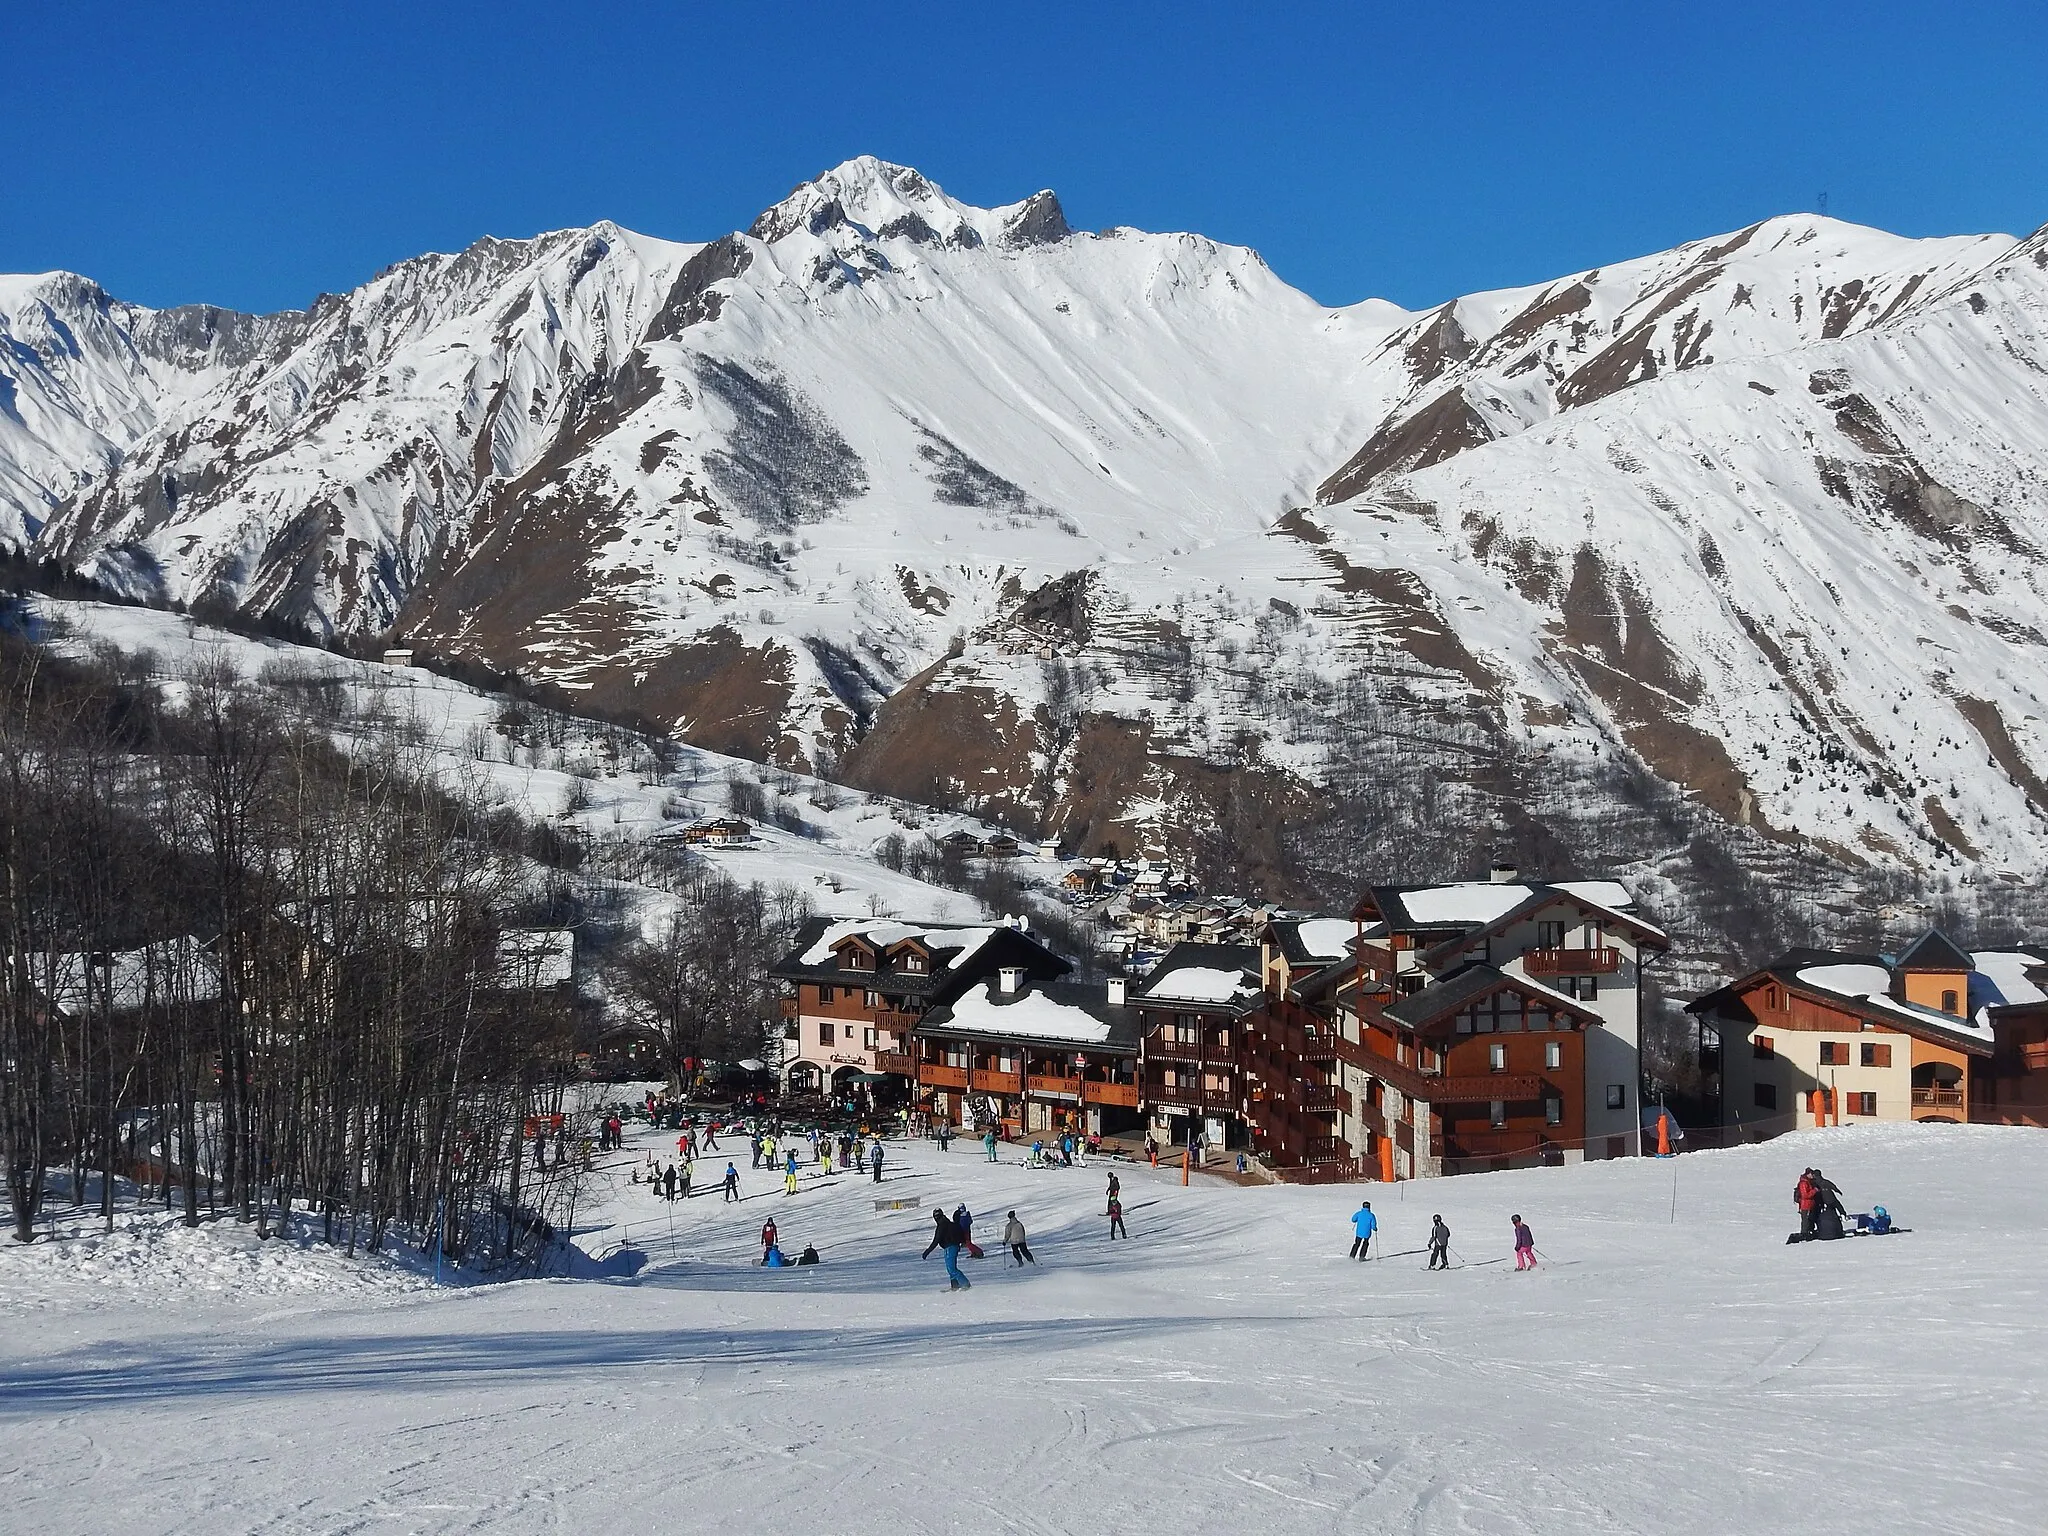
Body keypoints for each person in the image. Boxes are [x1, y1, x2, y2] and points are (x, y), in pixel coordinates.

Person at [924, 1207, 970, 1290]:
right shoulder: (947, 1223)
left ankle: (966, 1284)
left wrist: (927, 1251)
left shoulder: (942, 1225)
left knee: (952, 1269)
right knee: (950, 1269)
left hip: (950, 1247)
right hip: (951, 1247)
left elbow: (936, 1240)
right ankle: (955, 1286)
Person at [1795, 1169, 1820, 1242]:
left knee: (1810, 1220)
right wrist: (1814, 1190)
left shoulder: (1809, 1182)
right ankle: (1804, 1234)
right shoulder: (1804, 1183)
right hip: (1806, 1205)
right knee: (1805, 1221)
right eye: (1812, 1174)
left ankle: (1808, 1233)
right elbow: (1805, 1195)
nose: (1813, 1176)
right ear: (1808, 1174)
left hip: (1810, 1204)